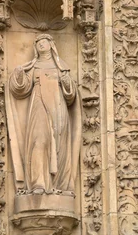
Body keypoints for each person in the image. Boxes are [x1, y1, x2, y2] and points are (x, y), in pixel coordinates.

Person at [5, 34, 81, 195]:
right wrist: (18, 74)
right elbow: (21, 88)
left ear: (51, 44)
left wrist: (67, 83)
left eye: (44, 42)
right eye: (38, 43)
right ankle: (38, 183)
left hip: (58, 106)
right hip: (39, 104)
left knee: (60, 143)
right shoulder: (33, 67)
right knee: (39, 139)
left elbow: (71, 95)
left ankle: (60, 184)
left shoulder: (62, 67)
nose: (41, 45)